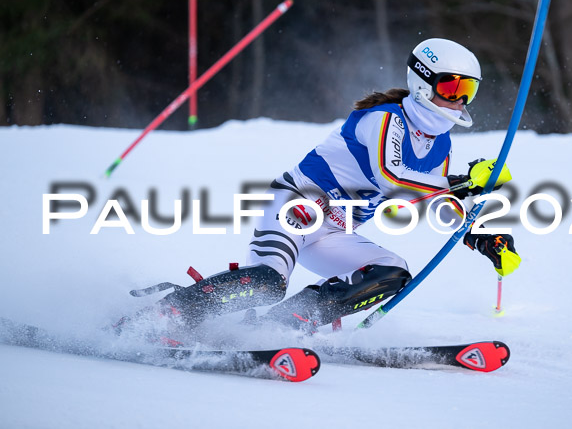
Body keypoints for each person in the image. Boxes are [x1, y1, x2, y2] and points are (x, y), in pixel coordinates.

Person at [146, 38, 521, 334]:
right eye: (451, 87)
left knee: (391, 272)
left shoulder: (440, 145)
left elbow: (428, 199)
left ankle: (281, 326)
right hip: (296, 209)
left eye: (467, 91)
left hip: (334, 231)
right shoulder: (383, 118)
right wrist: (459, 183)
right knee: (268, 282)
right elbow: (392, 175)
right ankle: (171, 312)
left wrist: (480, 234)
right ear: (423, 82)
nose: (458, 101)